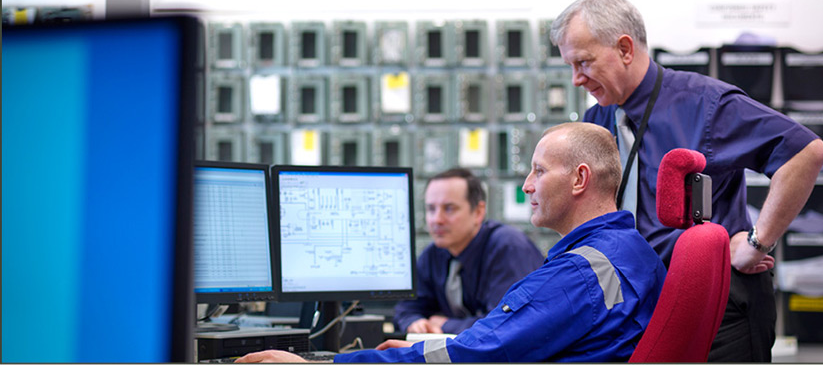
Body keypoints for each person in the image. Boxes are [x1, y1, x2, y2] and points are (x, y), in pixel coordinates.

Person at [549, 0, 823, 362]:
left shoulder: (704, 103)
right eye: (570, 65)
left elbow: (805, 152)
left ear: (625, 49)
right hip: (642, 305)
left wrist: (757, 243)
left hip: (718, 306)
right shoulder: (597, 121)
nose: (575, 79)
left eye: (583, 63)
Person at [235, 122, 667, 363]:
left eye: (538, 171)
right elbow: (498, 340)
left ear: (579, 179)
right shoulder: (631, 251)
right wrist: (429, 342)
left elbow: (482, 353)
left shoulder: (578, 273)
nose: (526, 185)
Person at [393, 167, 544, 334]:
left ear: (478, 212)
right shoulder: (433, 254)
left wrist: (444, 325)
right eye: (431, 209)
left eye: (449, 208)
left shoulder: (508, 247)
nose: (437, 219)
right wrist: (415, 322)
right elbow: (406, 308)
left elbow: (507, 324)